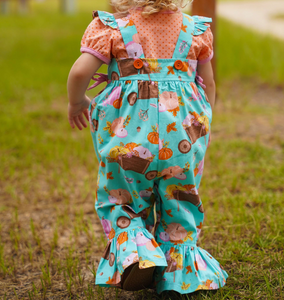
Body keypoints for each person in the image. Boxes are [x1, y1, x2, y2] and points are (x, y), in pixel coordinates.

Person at [67, 0, 228, 295]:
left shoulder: (111, 27)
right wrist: (204, 122)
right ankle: (178, 272)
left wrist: (77, 102)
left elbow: (80, 73)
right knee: (179, 199)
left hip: (128, 143)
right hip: (181, 142)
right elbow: (209, 84)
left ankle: (136, 254)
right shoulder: (197, 30)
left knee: (123, 197)